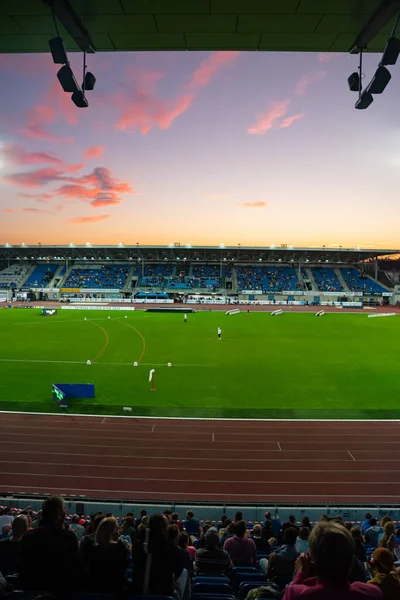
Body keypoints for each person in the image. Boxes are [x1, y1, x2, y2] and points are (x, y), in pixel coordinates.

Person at [282, 521, 382, 600]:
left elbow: (292, 591)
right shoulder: (372, 594)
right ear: (351, 563)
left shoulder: (295, 594)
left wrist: (300, 573)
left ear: (312, 562)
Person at [19, 495, 80, 595]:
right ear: (59, 514)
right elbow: (75, 569)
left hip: (31, 590)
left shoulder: (28, 537)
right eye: (63, 509)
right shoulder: (69, 537)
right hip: (60, 592)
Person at [132, 514, 185, 598]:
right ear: (162, 530)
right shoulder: (170, 548)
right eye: (167, 527)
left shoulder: (137, 543)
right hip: (163, 592)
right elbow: (178, 569)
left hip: (138, 590)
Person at [82, 516, 129, 593]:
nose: (118, 532)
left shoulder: (91, 548)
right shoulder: (119, 548)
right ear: (112, 532)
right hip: (114, 590)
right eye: (117, 529)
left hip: (93, 589)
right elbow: (122, 571)